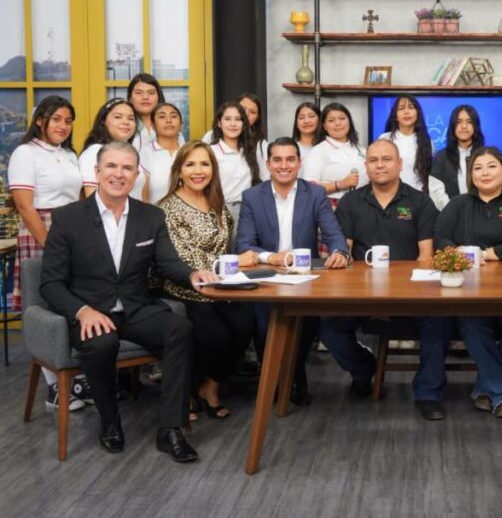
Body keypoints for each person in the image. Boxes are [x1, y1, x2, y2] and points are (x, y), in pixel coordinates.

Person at [40, 141, 220, 462]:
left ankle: (171, 429)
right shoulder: (68, 218)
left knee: (181, 329)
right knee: (101, 343)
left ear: (136, 175)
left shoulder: (151, 216)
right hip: (90, 312)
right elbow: (50, 284)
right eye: (111, 166)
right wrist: (82, 311)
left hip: (136, 309)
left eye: (127, 168)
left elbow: (168, 263)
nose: (119, 174)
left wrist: (192, 275)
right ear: (97, 171)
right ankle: (110, 422)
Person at [329, 139, 448, 420]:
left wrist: (396, 296)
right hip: (361, 294)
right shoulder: (350, 202)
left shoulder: (420, 202)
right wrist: (373, 297)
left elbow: (426, 257)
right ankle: (363, 369)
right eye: (373, 160)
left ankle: (429, 393)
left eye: (386, 159)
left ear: (400, 164)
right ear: (366, 166)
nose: (380, 165)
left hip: (411, 293)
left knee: (439, 318)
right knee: (327, 324)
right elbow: (345, 254)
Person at [237, 137, 349, 406]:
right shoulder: (252, 196)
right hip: (266, 276)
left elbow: (334, 233)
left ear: (299, 163)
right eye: (277, 160)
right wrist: (271, 257)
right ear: (268, 164)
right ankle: (273, 382)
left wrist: (339, 252)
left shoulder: (315, 194)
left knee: (304, 326)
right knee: (264, 326)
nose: (284, 165)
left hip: (303, 277)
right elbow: (244, 244)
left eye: (290, 159)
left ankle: (296, 377)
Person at [434, 146, 502, 418]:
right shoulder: (458, 204)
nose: (485, 173)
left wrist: (490, 254)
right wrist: (457, 253)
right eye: (478, 168)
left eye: (491, 166)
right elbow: (440, 237)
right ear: (471, 175)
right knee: (473, 328)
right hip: (471, 290)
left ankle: (486, 388)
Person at [157, 142, 255, 421]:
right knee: (215, 335)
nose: (198, 171)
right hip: (183, 287)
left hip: (219, 287)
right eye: (190, 164)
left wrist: (231, 267)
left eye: (204, 164)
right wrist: (235, 262)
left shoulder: (217, 205)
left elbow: (225, 245)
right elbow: (182, 256)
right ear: (179, 171)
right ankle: (187, 389)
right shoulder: (166, 208)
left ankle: (210, 386)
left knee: (245, 323)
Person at [7, 96, 90, 411]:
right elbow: (24, 205)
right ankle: (54, 387)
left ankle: (75, 378)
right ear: (40, 120)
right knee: (43, 304)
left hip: (71, 229)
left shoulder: (69, 154)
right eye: (56, 119)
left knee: (72, 300)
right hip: (41, 229)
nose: (63, 126)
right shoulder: (25, 153)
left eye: (68, 121)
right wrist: (50, 244)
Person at [79, 98, 146, 200]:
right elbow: (92, 201)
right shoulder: (94, 152)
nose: (126, 122)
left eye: (131, 118)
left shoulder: (132, 153)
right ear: (103, 121)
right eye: (118, 117)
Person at [301, 103, 368, 205]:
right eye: (331, 120)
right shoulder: (318, 151)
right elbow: (309, 188)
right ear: (324, 126)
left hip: (363, 206)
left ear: (349, 121)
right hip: (331, 208)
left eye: (342, 118)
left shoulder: (361, 149)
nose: (338, 123)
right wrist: (340, 184)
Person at [209, 100, 261, 228]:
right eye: (227, 119)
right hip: (220, 211)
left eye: (238, 119)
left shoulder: (249, 151)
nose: (233, 124)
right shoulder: (211, 151)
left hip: (248, 211)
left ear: (244, 124)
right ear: (219, 123)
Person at [203, 92, 270, 181]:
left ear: (257, 117)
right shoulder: (211, 138)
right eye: (242, 109)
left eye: (252, 112)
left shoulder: (261, 145)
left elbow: (265, 178)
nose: (246, 114)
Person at [428, 105, 484, 210]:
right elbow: (436, 191)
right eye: (459, 122)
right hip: (449, 214)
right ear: (453, 126)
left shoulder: (485, 155)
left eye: (469, 122)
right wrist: (453, 212)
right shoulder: (441, 157)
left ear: (476, 126)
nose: (464, 126)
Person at [378, 95, 433, 192]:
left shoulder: (426, 141)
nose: (406, 112)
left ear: (417, 113)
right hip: (390, 194)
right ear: (395, 116)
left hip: (418, 195)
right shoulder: (385, 139)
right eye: (401, 108)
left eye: (411, 107)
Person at [127, 73, 183, 152]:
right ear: (130, 98)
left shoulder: (171, 125)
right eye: (139, 93)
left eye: (151, 93)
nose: (145, 97)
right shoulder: (125, 126)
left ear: (158, 97)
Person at [141, 102, 182, 205]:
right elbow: (142, 195)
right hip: (155, 213)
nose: (169, 120)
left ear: (181, 125)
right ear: (153, 125)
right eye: (162, 117)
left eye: (173, 116)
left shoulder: (190, 152)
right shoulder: (143, 154)